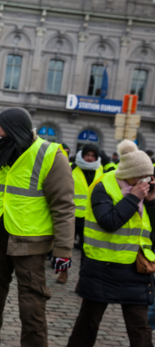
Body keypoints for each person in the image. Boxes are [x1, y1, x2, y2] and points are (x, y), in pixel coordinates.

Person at [0, 107, 75, 347]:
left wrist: (63, 251)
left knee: (32, 300)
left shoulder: (51, 155)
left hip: (31, 241)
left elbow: (63, 207)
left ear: (12, 129)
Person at [67, 140, 155, 347]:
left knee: (140, 327)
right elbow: (109, 222)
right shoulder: (103, 186)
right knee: (88, 322)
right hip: (102, 266)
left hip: (136, 267)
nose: (146, 180)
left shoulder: (144, 192)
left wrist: (151, 202)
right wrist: (133, 198)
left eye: (148, 176)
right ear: (128, 173)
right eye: (142, 176)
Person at [65, 144, 104, 285]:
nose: (89, 158)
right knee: (66, 246)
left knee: (86, 249)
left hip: (91, 217)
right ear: (82, 155)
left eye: (93, 156)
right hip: (71, 215)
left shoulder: (101, 169)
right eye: (87, 155)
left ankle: (82, 279)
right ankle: (63, 272)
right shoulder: (71, 167)